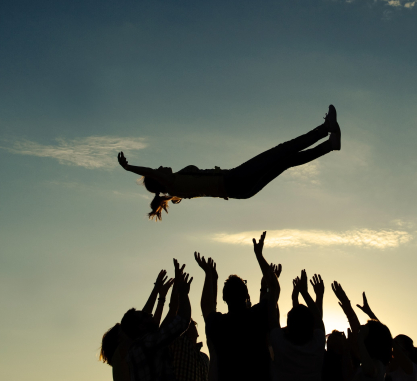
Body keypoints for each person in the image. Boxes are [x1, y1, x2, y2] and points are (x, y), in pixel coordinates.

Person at [117, 106, 342, 220]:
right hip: (235, 179)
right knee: (281, 151)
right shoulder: (172, 183)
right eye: (157, 171)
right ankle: (325, 129)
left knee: (285, 161)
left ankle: (330, 144)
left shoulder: (177, 188)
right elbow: (150, 171)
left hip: (240, 191)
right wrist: (129, 168)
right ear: (158, 180)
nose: (160, 167)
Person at [195, 231, 280, 381]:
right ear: (247, 296)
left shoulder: (219, 324)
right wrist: (259, 255)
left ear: (224, 298)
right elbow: (274, 287)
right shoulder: (257, 316)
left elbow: (207, 307)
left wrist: (209, 275)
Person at [100, 270, 174, 381]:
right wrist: (157, 291)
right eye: (122, 329)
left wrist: (160, 297)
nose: (125, 329)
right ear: (117, 337)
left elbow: (148, 326)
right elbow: (142, 322)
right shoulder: (121, 351)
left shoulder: (126, 355)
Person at [125, 259, 193, 381]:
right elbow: (181, 321)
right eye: (145, 316)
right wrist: (183, 292)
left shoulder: (136, 349)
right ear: (140, 326)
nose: (150, 315)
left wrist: (162, 297)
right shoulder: (148, 343)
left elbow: (170, 314)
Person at [267, 270, 326, 381]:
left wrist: (273, 289)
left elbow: (271, 317)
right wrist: (305, 293)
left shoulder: (280, 344)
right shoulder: (317, 344)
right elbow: (318, 318)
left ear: (288, 326)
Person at [331, 283, 392, 381]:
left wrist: (360, 340)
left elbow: (370, 370)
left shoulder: (378, 366)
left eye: (365, 328)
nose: (362, 327)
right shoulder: (367, 363)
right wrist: (346, 304)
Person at [355, 294, 417, 381]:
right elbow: (384, 334)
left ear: (407, 352)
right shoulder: (387, 367)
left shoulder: (411, 369)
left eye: (397, 344)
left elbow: (385, 335)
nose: (393, 346)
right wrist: (369, 313)